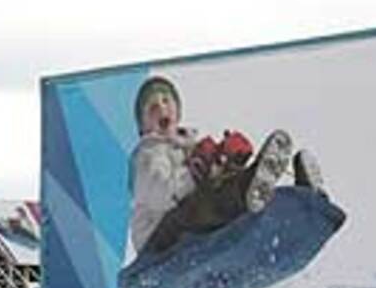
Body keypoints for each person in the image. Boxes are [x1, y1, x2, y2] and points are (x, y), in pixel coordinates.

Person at [128, 76, 323, 257]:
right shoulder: (148, 154)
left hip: (187, 223)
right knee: (203, 202)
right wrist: (202, 166)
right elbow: (163, 194)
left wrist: (224, 161)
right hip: (156, 239)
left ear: (177, 112)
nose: (161, 108)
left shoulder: (188, 147)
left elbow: (197, 182)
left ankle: (296, 196)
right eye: (152, 107)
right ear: (143, 127)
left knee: (220, 187)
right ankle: (248, 188)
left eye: (166, 101)